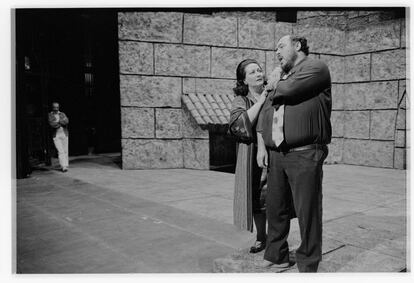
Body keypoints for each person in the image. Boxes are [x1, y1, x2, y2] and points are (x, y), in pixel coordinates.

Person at [256, 35, 332, 272]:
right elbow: (266, 112)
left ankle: (308, 264)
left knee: (307, 210)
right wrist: (263, 145)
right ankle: (276, 254)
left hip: (305, 152)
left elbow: (288, 91)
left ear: (297, 46)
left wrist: (274, 81)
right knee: (275, 206)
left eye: (281, 46)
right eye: (275, 48)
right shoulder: (282, 76)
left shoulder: (315, 68)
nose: (276, 52)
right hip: (278, 152)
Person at [229, 59, 294, 253]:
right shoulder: (241, 100)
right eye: (252, 72)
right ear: (244, 80)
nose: (258, 74)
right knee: (257, 197)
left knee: (276, 196)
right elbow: (239, 124)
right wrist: (263, 97)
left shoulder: (275, 91)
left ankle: (277, 238)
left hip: (275, 149)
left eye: (259, 70)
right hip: (251, 153)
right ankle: (261, 236)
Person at [48, 102, 69, 172]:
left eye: (57, 107)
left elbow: (66, 121)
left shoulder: (62, 114)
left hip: (64, 134)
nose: (56, 109)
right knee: (60, 151)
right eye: (54, 107)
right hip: (56, 135)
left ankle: (65, 165)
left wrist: (58, 122)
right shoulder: (50, 115)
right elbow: (52, 124)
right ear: (52, 107)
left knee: (65, 150)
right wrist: (61, 122)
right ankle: (63, 166)